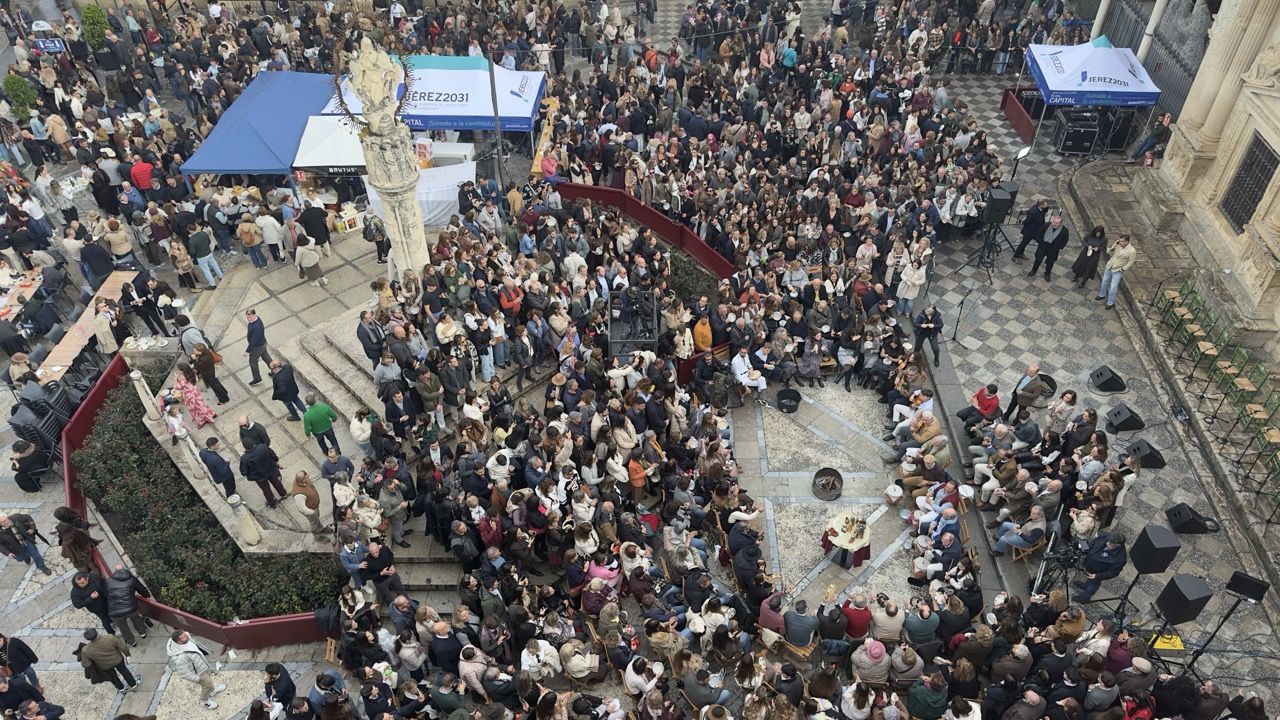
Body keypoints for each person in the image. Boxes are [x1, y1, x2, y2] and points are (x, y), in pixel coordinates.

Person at [166, 630, 226, 710]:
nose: (186, 636)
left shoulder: (186, 640)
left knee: (209, 683)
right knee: (207, 686)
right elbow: (183, 673)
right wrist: (196, 678)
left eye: (185, 634)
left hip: (202, 666)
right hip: (199, 674)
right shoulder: (181, 657)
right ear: (178, 642)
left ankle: (212, 691)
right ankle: (204, 701)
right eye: (183, 637)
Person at [104, 564, 152, 646]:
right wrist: (147, 596)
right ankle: (142, 633)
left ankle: (132, 642)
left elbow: (105, 594)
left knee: (123, 628)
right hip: (131, 608)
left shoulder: (107, 581)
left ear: (115, 571)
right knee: (136, 619)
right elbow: (142, 590)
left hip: (115, 612)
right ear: (125, 570)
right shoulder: (132, 579)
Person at [1074, 533, 1128, 602]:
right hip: (1089, 565)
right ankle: (1085, 586)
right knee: (1089, 580)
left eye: (1111, 543)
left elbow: (1113, 572)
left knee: (1093, 585)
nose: (1107, 543)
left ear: (1118, 545)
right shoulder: (1107, 536)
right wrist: (1085, 549)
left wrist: (1097, 576)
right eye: (1108, 541)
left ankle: (1085, 598)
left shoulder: (1120, 559)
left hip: (1096, 574)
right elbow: (1094, 542)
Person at [1096, 235, 1137, 310]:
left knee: (1113, 287)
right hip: (1110, 265)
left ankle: (1110, 303)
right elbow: (1108, 252)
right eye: (1119, 240)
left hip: (1118, 269)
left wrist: (1123, 269)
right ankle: (1102, 294)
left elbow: (1130, 262)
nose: (1120, 242)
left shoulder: (1132, 251)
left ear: (1127, 242)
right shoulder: (1117, 245)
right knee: (1105, 281)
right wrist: (1114, 245)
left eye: (1122, 241)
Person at [1028, 215, 1070, 281]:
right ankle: (1034, 270)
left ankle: (1047, 274)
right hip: (1043, 246)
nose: (1055, 224)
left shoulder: (1064, 230)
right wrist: (1040, 242)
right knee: (1038, 259)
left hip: (1053, 248)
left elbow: (1065, 240)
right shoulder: (1047, 225)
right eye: (1054, 222)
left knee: (1050, 262)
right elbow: (1040, 233)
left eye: (1057, 223)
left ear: (1060, 223)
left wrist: (1058, 247)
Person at [245, 308, 273, 386]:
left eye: (250, 317)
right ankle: (275, 371)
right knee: (266, 357)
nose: (248, 318)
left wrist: (247, 351)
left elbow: (254, 341)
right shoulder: (256, 320)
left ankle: (257, 379)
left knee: (253, 362)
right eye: (247, 317)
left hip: (257, 346)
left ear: (255, 315)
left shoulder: (256, 327)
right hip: (262, 343)